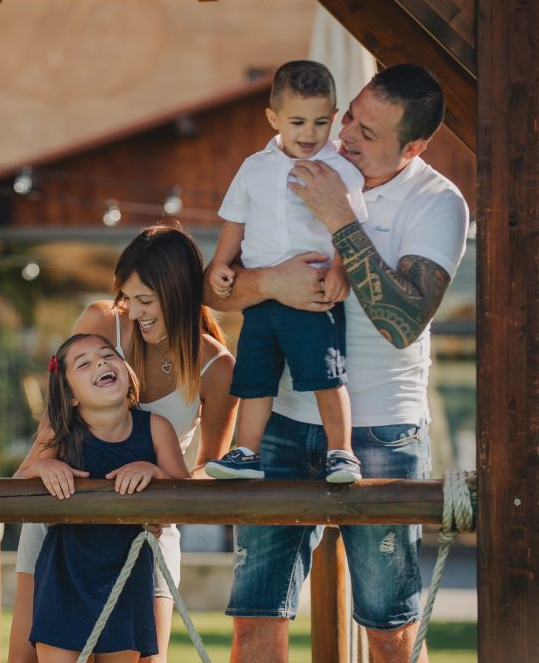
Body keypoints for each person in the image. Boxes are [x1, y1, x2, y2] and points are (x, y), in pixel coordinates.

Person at [208, 64, 469, 663]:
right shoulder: (288, 164)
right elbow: (216, 291)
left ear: (415, 147)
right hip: (279, 424)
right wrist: (268, 281)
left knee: (388, 627)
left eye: (367, 132)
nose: (345, 133)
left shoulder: (438, 203)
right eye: (349, 114)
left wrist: (341, 219)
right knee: (255, 619)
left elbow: (404, 321)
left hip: (382, 434)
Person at [9, 224, 238, 663]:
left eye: (146, 301)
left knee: (147, 656)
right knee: (26, 656)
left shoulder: (217, 368)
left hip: (145, 532)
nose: (133, 312)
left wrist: (160, 479)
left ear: (179, 293)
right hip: (62, 523)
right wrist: (31, 473)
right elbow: (51, 429)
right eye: (128, 298)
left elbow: (213, 466)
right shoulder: (101, 325)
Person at [204, 60, 367, 484]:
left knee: (325, 376)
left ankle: (341, 451)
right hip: (261, 297)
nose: (309, 133)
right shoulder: (254, 167)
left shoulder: (341, 169)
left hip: (314, 294)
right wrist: (222, 263)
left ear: (334, 117)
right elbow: (235, 221)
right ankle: (246, 453)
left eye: (320, 122)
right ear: (273, 118)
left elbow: (350, 227)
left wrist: (340, 269)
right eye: (297, 122)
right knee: (254, 378)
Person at [23, 333, 190, 662]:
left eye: (108, 355)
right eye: (84, 364)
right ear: (69, 395)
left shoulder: (156, 428)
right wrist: (45, 466)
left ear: (126, 371)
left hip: (128, 575)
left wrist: (155, 473)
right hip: (65, 576)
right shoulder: (60, 431)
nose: (100, 362)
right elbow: (18, 480)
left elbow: (187, 495)